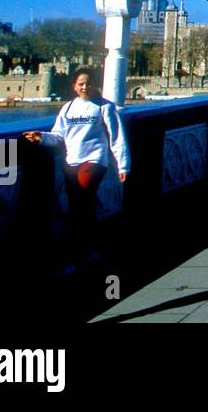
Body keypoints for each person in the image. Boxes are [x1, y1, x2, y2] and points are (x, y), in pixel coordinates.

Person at [23, 67, 130, 269]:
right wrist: (40, 137)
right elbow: (58, 136)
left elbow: (117, 137)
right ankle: (87, 247)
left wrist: (123, 165)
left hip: (95, 159)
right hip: (72, 160)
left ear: (94, 85)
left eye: (88, 83)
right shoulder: (68, 108)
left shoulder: (104, 107)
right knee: (79, 204)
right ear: (74, 86)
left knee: (81, 196)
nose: (85, 87)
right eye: (80, 84)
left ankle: (77, 252)